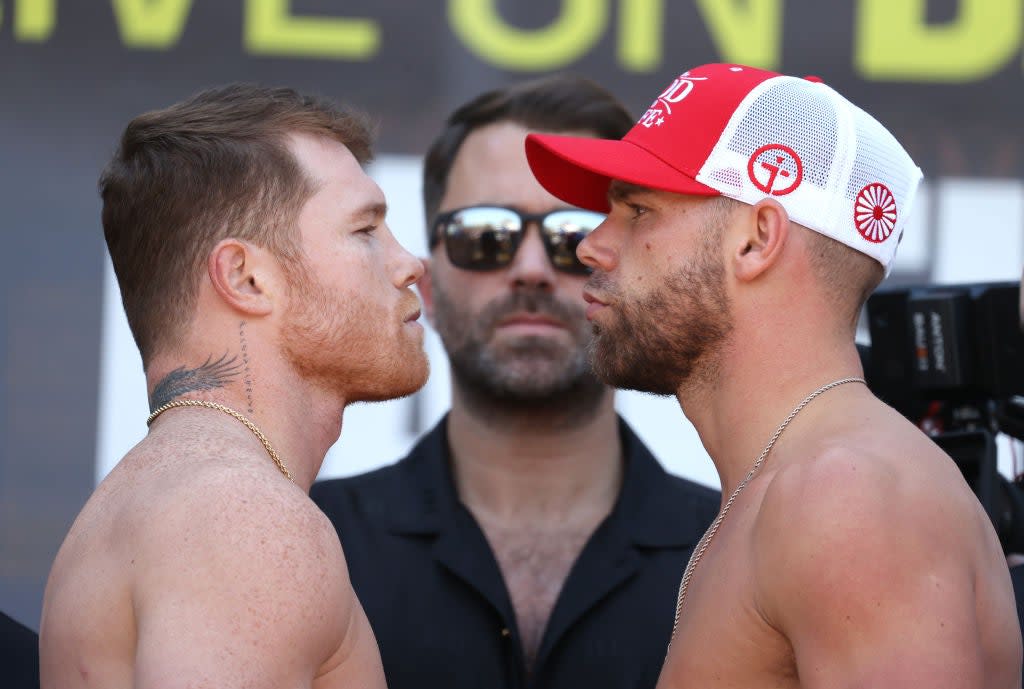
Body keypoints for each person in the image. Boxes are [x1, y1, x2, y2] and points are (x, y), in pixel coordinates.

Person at [525, 63, 1023, 687]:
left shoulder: (846, 496)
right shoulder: (799, 487)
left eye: (638, 210)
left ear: (757, 240)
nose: (590, 245)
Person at [310, 74, 719, 689]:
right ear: (425, 286)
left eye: (576, 235)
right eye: (485, 236)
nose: (529, 270)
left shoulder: (736, 551)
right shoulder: (312, 544)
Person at [39, 84, 428, 689]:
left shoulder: (157, 500)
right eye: (365, 230)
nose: (410, 263)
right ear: (246, 278)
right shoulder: (243, 518)